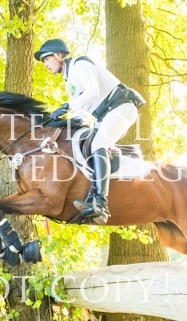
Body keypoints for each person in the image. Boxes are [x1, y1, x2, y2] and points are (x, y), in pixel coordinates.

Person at [34, 38, 145, 224]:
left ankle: (101, 203)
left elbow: (93, 92)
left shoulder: (80, 63)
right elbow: (83, 113)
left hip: (121, 107)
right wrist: (57, 123)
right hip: (105, 116)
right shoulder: (68, 80)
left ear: (59, 55)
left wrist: (66, 107)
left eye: (47, 59)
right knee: (81, 144)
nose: (45, 64)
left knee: (98, 143)